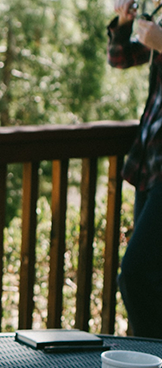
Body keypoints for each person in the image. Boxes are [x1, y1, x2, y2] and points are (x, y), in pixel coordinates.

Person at [108, 0, 162, 338]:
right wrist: (126, 23)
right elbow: (120, 58)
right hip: (151, 161)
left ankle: (148, 360)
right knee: (152, 273)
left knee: (137, 270)